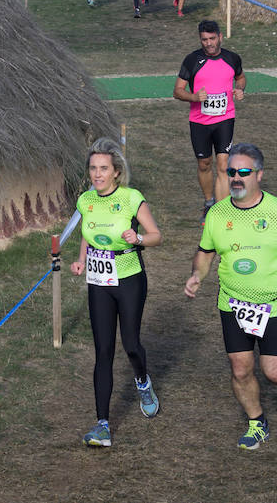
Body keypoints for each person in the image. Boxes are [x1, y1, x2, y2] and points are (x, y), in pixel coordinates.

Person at [183, 142, 277, 450]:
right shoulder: (217, 214)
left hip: (274, 306)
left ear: (259, 174)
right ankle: (257, 422)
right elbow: (205, 253)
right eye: (231, 172)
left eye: (243, 172)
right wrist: (197, 276)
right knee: (241, 368)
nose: (235, 178)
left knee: (274, 372)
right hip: (231, 304)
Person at [71, 137, 163, 447]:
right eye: (93, 169)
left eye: (103, 169)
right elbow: (88, 233)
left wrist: (136, 237)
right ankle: (102, 425)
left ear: (116, 172)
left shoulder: (131, 198)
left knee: (132, 343)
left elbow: (156, 236)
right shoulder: (86, 200)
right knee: (103, 352)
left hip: (129, 279)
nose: (97, 174)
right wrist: (82, 259)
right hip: (99, 283)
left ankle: (142, 381)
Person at [173, 19, 247, 218]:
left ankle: (222, 211)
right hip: (199, 122)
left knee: (223, 165)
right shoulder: (192, 61)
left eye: (212, 38)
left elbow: (240, 78)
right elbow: (177, 91)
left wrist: (239, 90)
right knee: (204, 163)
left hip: (225, 119)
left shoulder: (232, 58)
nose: (208, 43)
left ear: (220, 37)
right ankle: (209, 202)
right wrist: (194, 97)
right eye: (204, 39)